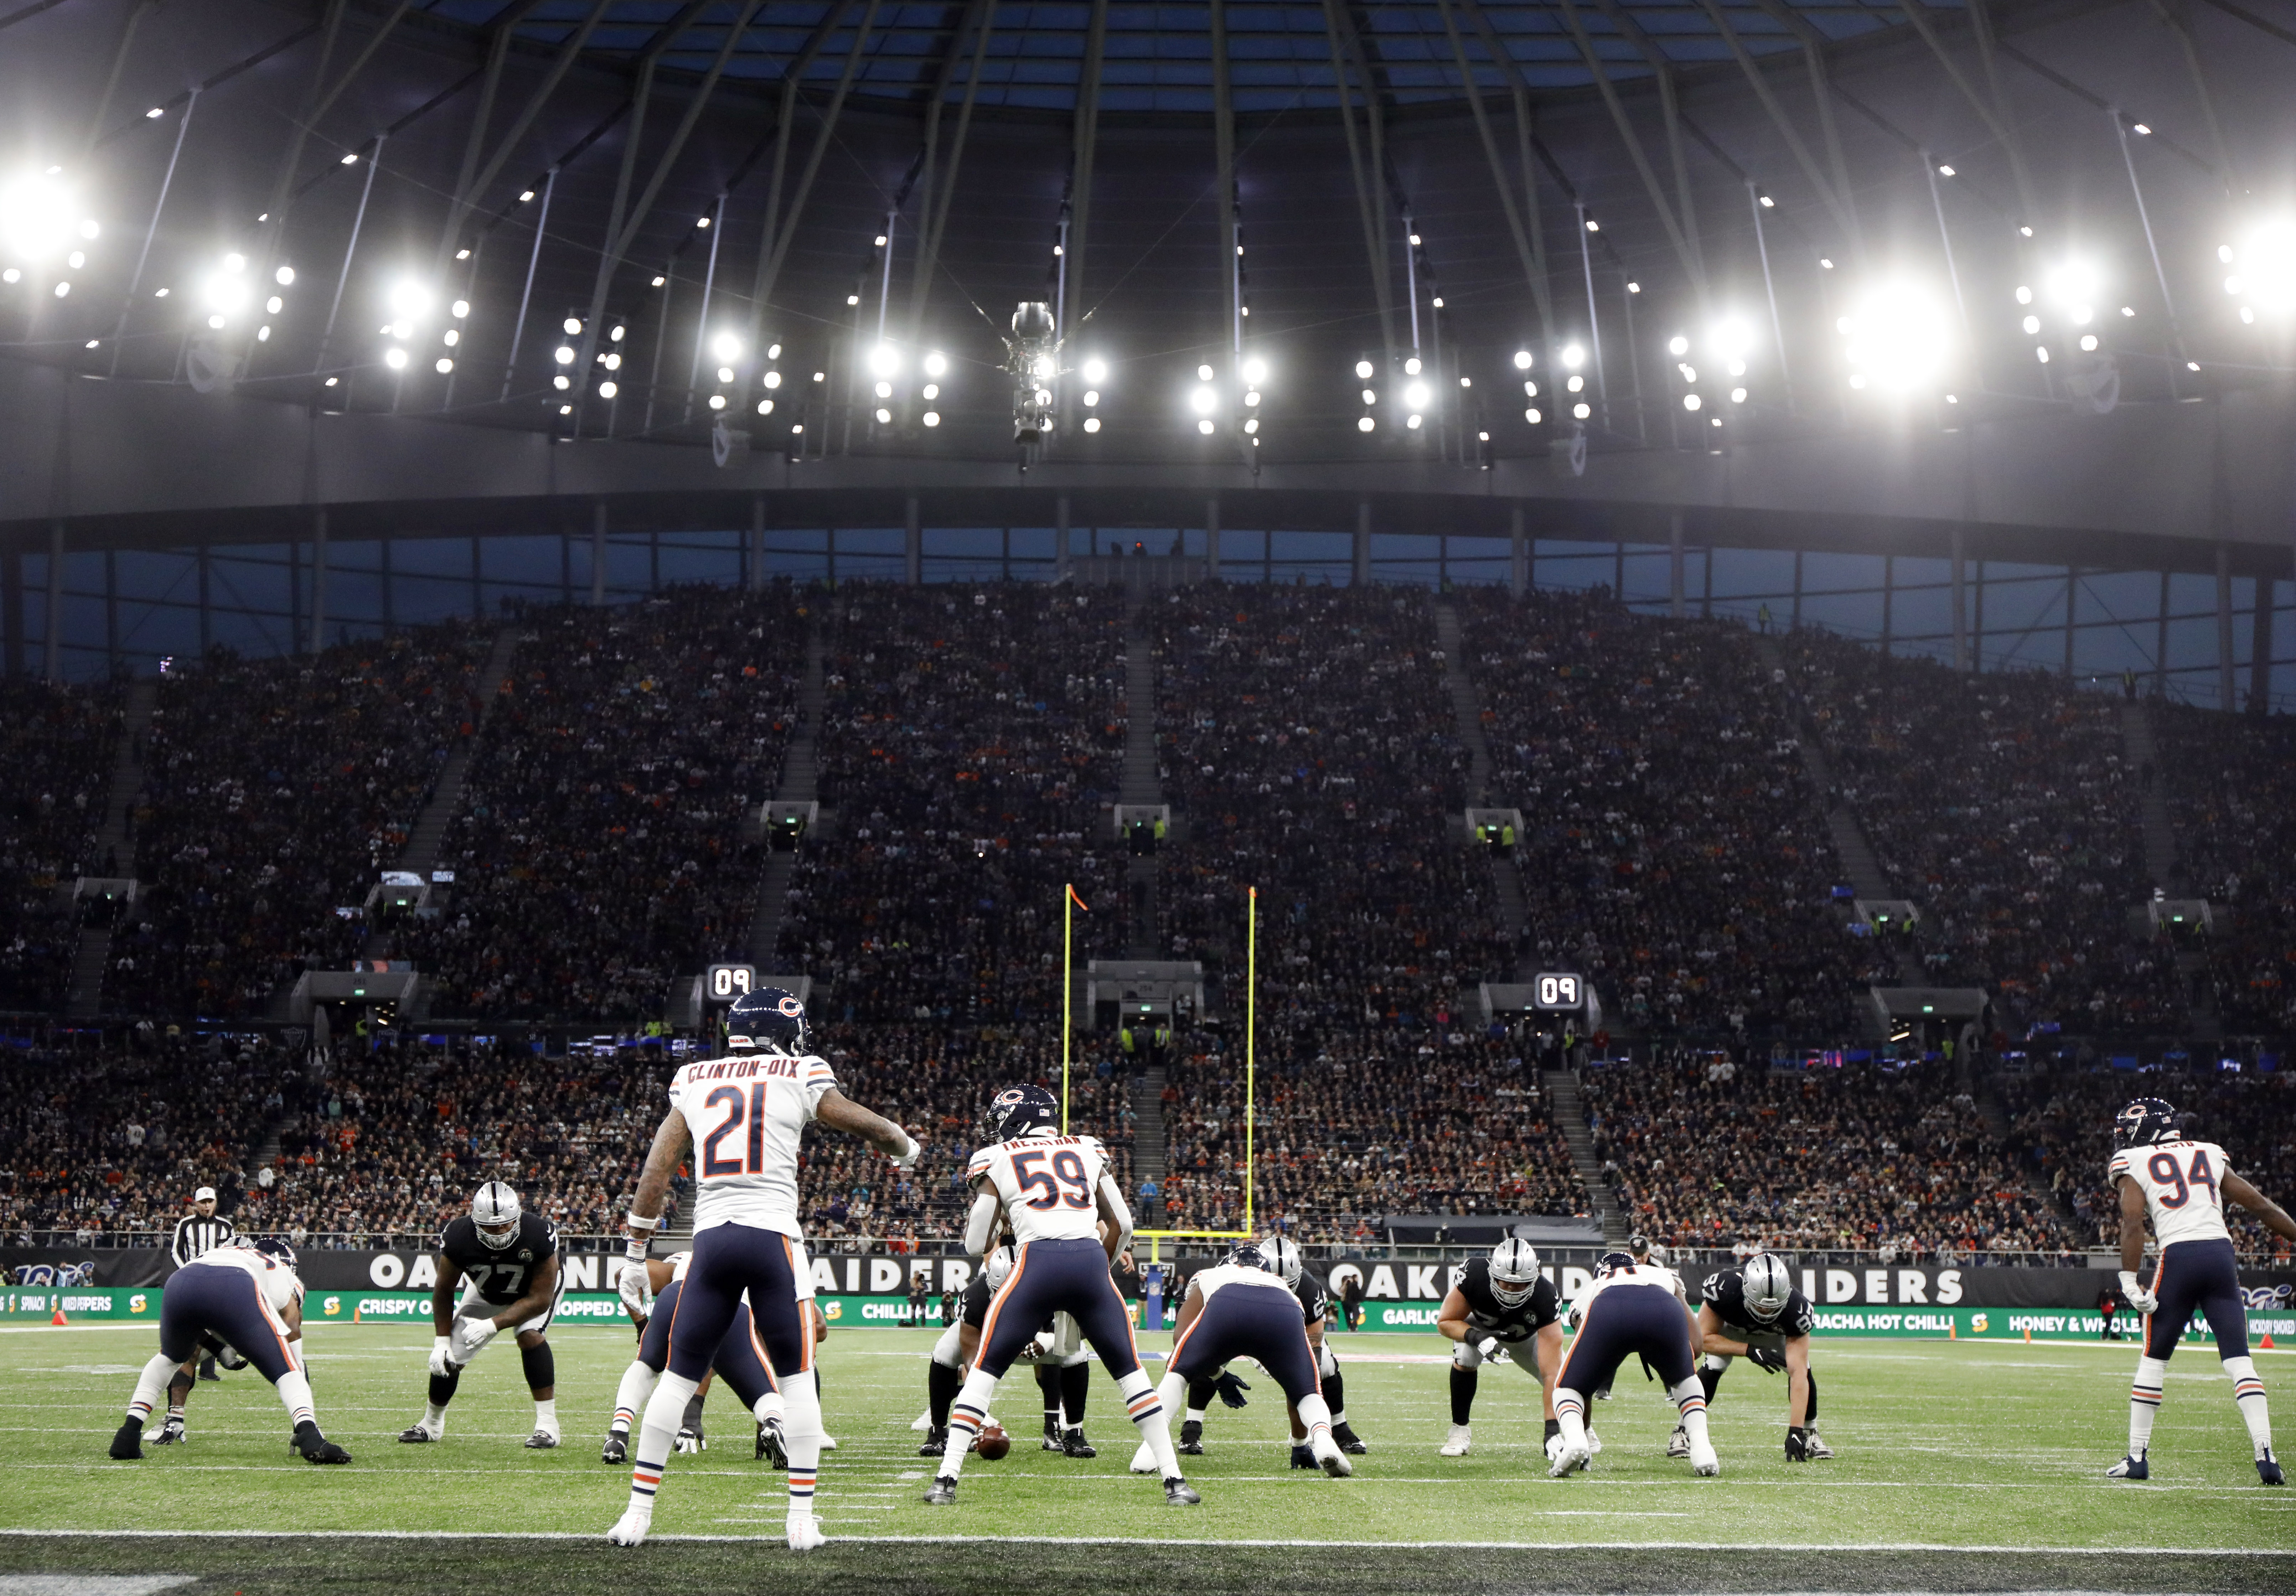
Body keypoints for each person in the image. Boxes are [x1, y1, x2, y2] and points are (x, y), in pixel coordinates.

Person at [607, 986, 920, 1550]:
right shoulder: (800, 1071)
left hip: (712, 1244)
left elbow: (656, 1174)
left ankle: (636, 1514)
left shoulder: (694, 1079)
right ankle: (800, 1521)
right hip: (773, 1239)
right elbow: (867, 1125)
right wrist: (904, 1146)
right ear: (783, 1033)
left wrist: (635, 1252)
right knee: (798, 1383)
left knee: (676, 1381)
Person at [924, 1083, 1196, 1507]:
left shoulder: (997, 1158)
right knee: (1132, 1374)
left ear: (1016, 1121)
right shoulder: (1088, 1148)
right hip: (1089, 1261)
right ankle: (1175, 1481)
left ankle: (946, 1480)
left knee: (984, 1372)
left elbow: (976, 1244)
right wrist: (1098, 1269)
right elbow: (1123, 1225)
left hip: (1035, 1264)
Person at [2105, 1097, 2296, 1484]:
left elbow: (2132, 1221)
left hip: (2180, 1256)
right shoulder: (2208, 1152)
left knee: (2154, 1359)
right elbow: (2259, 1205)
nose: (2123, 1136)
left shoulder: (2133, 1161)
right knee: (2240, 1360)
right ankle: (2266, 1455)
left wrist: (2128, 1277)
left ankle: (2137, 1457)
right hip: (2221, 1255)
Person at [109, 1238, 349, 1465]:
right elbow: (292, 1331)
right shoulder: (286, 1275)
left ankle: (128, 1434)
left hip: (181, 1281)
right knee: (289, 1372)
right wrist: (297, 1388)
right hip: (233, 1284)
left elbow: (200, 1320)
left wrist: (218, 1348)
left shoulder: (233, 1252)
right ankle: (310, 1437)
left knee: (169, 1359)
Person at [1128, 1243, 1351, 1478]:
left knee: (1177, 1372)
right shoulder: (1281, 1284)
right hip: (1284, 1308)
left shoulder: (1211, 1275)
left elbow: (1180, 1337)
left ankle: (1150, 1450)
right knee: (1307, 1393)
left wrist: (1217, 1375)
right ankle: (1323, 1439)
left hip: (1227, 1303)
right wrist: (1299, 1442)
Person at [398, 1180, 564, 1449]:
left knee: (529, 1336)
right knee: (449, 1356)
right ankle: (431, 1424)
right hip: (486, 1291)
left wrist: (492, 1325)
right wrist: (441, 1341)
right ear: (475, 1221)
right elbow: (444, 1290)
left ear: (518, 1217)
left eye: (505, 1224)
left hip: (532, 1292)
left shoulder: (538, 1233)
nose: (499, 1232)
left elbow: (540, 1299)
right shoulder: (458, 1236)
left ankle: (547, 1426)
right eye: (490, 1226)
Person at [603, 1250, 788, 1466]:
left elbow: (623, 1275)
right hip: (733, 1305)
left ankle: (618, 1434)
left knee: (646, 1366)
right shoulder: (762, 1262)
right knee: (766, 1394)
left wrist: (643, 1326)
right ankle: (773, 1421)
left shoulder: (686, 1259)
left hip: (678, 1294)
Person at [1549, 1250, 1716, 1479]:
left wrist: (1584, 1430)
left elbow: (1583, 1378)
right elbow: (1696, 1348)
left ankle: (1576, 1438)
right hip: (1665, 1306)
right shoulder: (1663, 1275)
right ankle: (1702, 1446)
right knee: (1686, 1380)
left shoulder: (1598, 1284)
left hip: (1609, 1308)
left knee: (1567, 1388)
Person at [1433, 1238, 1568, 1459]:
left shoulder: (1546, 1296)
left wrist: (1551, 1430)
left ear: (1535, 1277)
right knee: (1466, 1357)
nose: (1513, 1290)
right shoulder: (1474, 1274)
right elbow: (1445, 1322)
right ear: (1492, 1274)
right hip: (1480, 1329)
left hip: (1526, 1339)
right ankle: (1459, 1431)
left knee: (1564, 1379)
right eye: (1505, 1283)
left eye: (1521, 1284)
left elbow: (1552, 1373)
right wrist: (1476, 1337)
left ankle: (1579, 1431)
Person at [1696, 1253, 1831, 1462]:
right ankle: (1684, 1429)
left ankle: (1810, 1433)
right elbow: (1701, 1340)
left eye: (1774, 1306)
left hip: (1774, 1334)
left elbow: (1798, 1374)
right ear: (1746, 1291)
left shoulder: (1797, 1310)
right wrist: (1748, 1350)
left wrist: (1795, 1430)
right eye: (1761, 1305)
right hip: (1731, 1329)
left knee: (1803, 1368)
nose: (1766, 1311)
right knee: (1715, 1363)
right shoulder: (1726, 1289)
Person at [170, 1185, 237, 1382]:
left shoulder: (226, 1226)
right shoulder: (185, 1224)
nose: (207, 1206)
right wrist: (187, 1272)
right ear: (195, 1204)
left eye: (210, 1202)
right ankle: (179, 1363)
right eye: (203, 1203)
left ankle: (207, 1371)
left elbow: (233, 1253)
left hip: (218, 1282)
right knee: (193, 1325)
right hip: (192, 1281)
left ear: (216, 1203)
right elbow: (176, 1251)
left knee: (215, 1325)